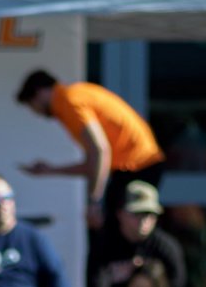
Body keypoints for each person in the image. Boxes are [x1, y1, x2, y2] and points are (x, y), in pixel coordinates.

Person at [15, 70, 165, 230]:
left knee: (121, 230)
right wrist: (51, 170)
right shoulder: (77, 93)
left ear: (39, 92)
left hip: (137, 167)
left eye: (32, 105)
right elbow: (95, 163)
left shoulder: (70, 101)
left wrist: (94, 201)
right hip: (138, 165)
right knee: (117, 232)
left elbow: (100, 150)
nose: (37, 113)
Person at [85, 180, 186, 287]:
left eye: (149, 214)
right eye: (136, 213)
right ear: (120, 214)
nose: (143, 220)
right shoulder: (105, 246)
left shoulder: (166, 248)